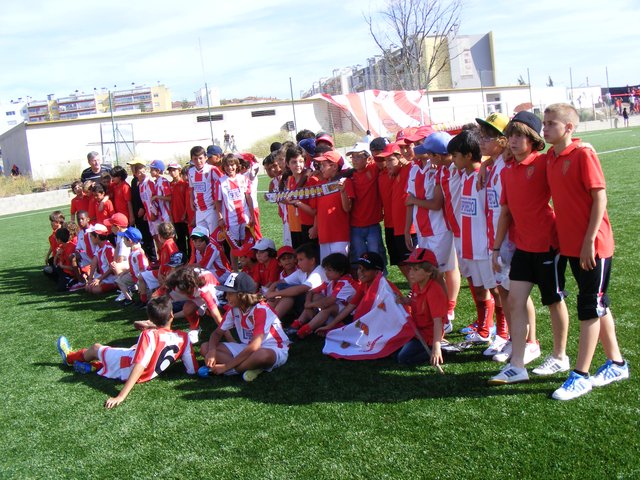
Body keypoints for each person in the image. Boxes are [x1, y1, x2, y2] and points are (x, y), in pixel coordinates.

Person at [542, 103, 629, 401]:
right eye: (544, 123)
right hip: (570, 246)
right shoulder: (551, 157)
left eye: (551, 123)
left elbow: (600, 198)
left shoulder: (583, 154)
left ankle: (580, 375)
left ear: (568, 127)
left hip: (593, 246)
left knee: (590, 306)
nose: (545, 128)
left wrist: (589, 240)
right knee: (598, 303)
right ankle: (617, 364)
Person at [488, 112, 570, 385]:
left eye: (519, 135)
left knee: (554, 300)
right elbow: (506, 212)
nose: (512, 140)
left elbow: (566, 153)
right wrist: (496, 248)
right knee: (514, 300)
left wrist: (581, 144)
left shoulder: (544, 162)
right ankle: (517, 365)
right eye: (510, 135)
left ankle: (559, 356)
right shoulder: (507, 170)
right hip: (522, 246)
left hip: (548, 245)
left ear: (533, 139)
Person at [56, 296, 198, 409]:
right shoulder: (184, 338)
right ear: (172, 315)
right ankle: (94, 366)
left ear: (150, 318)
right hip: (148, 373)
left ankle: (69, 358)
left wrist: (121, 396)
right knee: (133, 348)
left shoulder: (149, 335)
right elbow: (192, 370)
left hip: (128, 368)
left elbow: (139, 364)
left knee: (95, 348)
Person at [447, 130, 495, 344]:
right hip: (467, 243)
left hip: (483, 245)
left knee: (495, 289)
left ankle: (501, 332)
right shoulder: (464, 175)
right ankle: (484, 328)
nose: (452, 160)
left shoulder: (482, 176)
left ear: (468, 156)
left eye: (455, 155)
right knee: (478, 287)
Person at [200, 272, 290, 382]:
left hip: (274, 349)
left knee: (262, 355)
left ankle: (232, 371)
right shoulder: (233, 309)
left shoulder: (261, 309)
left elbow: (254, 346)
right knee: (205, 347)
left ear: (242, 295)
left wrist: (226, 367)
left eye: (230, 294)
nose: (226, 297)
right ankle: (251, 366)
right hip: (247, 347)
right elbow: (217, 333)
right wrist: (211, 351)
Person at [395, 248, 447, 367]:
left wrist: (436, 347)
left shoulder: (434, 291)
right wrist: (405, 301)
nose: (411, 273)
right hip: (417, 331)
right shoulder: (417, 286)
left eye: (416, 269)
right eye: (410, 268)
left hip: (428, 335)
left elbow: (438, 322)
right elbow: (416, 303)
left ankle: (441, 350)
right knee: (393, 349)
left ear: (429, 271)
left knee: (403, 358)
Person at [290, 253, 357, 339]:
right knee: (316, 296)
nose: (326, 273)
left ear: (341, 271)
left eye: (329, 270)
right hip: (337, 313)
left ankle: (304, 331)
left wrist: (309, 305)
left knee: (329, 307)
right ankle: (296, 324)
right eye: (326, 270)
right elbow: (311, 291)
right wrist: (308, 303)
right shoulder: (331, 280)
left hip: (349, 317)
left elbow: (328, 302)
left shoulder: (345, 282)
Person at [377, 142, 415, 280]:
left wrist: (408, 161)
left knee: (415, 263)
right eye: (386, 160)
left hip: (408, 226)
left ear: (400, 158)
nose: (387, 164)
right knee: (399, 260)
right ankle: (415, 288)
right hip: (392, 225)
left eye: (390, 160)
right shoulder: (388, 174)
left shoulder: (410, 168)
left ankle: (423, 289)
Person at [346, 142, 386, 271]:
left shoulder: (374, 169)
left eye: (358, 156)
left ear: (368, 158)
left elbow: (385, 160)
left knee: (376, 254)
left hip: (373, 223)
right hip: (355, 225)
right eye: (353, 157)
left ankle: (381, 278)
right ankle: (361, 280)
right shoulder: (349, 176)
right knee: (359, 256)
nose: (354, 160)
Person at [309, 150, 354, 261]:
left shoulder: (345, 182)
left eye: (323, 165)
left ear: (334, 166)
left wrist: (343, 191)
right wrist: (315, 227)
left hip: (339, 236)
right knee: (326, 267)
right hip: (323, 236)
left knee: (338, 267)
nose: (320, 168)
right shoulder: (320, 184)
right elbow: (318, 210)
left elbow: (347, 208)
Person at [264, 242, 326, 322]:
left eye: (301, 260)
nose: (298, 263)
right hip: (305, 305)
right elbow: (278, 283)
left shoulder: (318, 272)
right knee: (281, 291)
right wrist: (269, 293)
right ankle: (265, 319)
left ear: (312, 260)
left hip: (318, 308)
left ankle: (269, 322)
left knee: (286, 294)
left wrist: (275, 294)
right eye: (298, 260)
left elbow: (301, 289)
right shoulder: (301, 272)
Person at [215, 154, 256, 262]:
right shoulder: (220, 182)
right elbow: (218, 201)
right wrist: (220, 217)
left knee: (246, 243)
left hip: (244, 216)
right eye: (227, 165)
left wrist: (252, 215)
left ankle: (248, 266)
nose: (230, 168)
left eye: (232, 165)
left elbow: (248, 198)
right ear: (223, 167)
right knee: (234, 246)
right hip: (230, 219)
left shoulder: (243, 179)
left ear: (237, 165)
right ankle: (235, 269)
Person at [138, 222, 179, 305]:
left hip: (168, 276)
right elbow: (163, 263)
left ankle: (146, 301)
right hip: (163, 273)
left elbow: (175, 263)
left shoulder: (169, 245)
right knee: (141, 276)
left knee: (154, 298)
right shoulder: (166, 244)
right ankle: (144, 300)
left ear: (159, 235)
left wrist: (168, 277)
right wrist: (160, 273)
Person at [188, 145, 220, 234]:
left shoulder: (212, 169)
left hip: (211, 209)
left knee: (214, 236)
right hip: (199, 210)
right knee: (201, 236)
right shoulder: (190, 171)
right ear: (192, 160)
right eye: (195, 159)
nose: (198, 161)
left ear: (206, 158)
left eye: (200, 158)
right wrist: (191, 200)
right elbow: (192, 188)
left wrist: (217, 201)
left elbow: (222, 184)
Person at [114, 227, 148, 306]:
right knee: (119, 280)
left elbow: (143, 267)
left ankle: (144, 300)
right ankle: (129, 299)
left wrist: (140, 280)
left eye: (124, 239)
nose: (123, 241)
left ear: (130, 240)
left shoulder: (138, 253)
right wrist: (124, 272)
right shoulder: (133, 251)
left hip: (141, 278)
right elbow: (133, 266)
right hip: (134, 276)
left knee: (148, 296)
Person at [84, 223, 117, 294]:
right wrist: (90, 279)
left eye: (91, 236)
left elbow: (112, 268)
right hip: (102, 277)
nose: (90, 238)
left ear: (97, 237)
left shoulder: (108, 248)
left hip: (110, 278)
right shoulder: (98, 247)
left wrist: (99, 279)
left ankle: (114, 285)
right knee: (88, 288)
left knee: (95, 290)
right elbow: (94, 262)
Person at [167, 162, 189, 256]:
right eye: (170, 171)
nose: (172, 172)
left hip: (185, 216)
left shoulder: (184, 183)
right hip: (175, 216)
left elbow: (187, 200)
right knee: (180, 239)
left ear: (179, 171)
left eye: (174, 170)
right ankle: (183, 258)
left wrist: (185, 213)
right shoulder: (169, 184)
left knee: (189, 238)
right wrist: (171, 216)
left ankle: (191, 258)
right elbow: (170, 201)